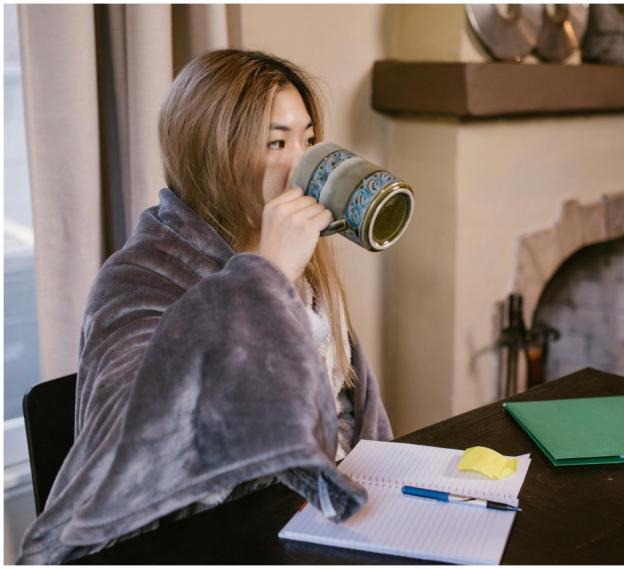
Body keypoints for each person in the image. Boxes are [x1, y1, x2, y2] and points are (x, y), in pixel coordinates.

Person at [18, 49, 392, 565]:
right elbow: (144, 441)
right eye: (276, 142)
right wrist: (267, 274)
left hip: (323, 527)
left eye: (307, 139)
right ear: (212, 155)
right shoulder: (139, 278)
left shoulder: (307, 262)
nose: (301, 161)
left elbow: (348, 406)